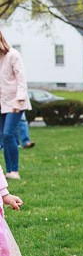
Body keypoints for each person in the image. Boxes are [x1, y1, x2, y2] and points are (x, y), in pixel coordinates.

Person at [0, 30, 32, 180]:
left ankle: (15, 170)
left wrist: (18, 100)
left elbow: (21, 80)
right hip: (2, 103)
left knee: (8, 134)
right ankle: (8, 171)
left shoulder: (13, 55)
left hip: (16, 103)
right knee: (3, 137)